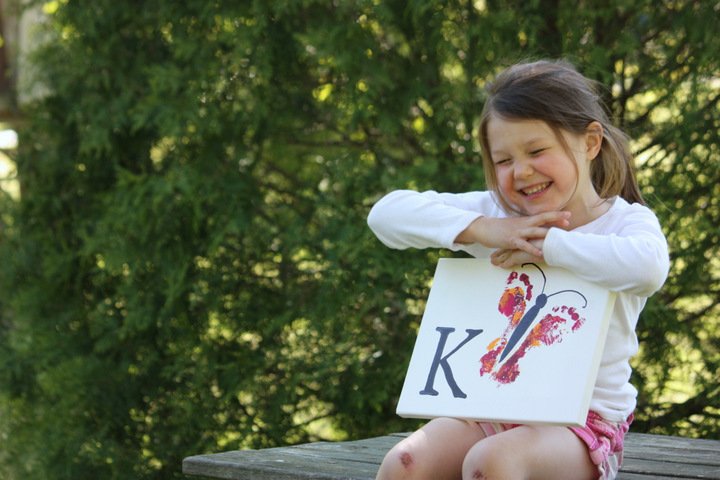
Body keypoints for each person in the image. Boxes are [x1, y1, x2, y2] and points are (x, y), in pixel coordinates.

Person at [366, 59, 670, 480]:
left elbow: (649, 268)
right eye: (503, 159)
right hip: (491, 407)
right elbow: (385, 215)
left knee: (491, 462)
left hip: (582, 426)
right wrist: (486, 229)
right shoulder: (500, 218)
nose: (521, 171)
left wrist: (551, 247)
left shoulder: (623, 223)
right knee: (406, 462)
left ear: (591, 142)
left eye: (537, 150)